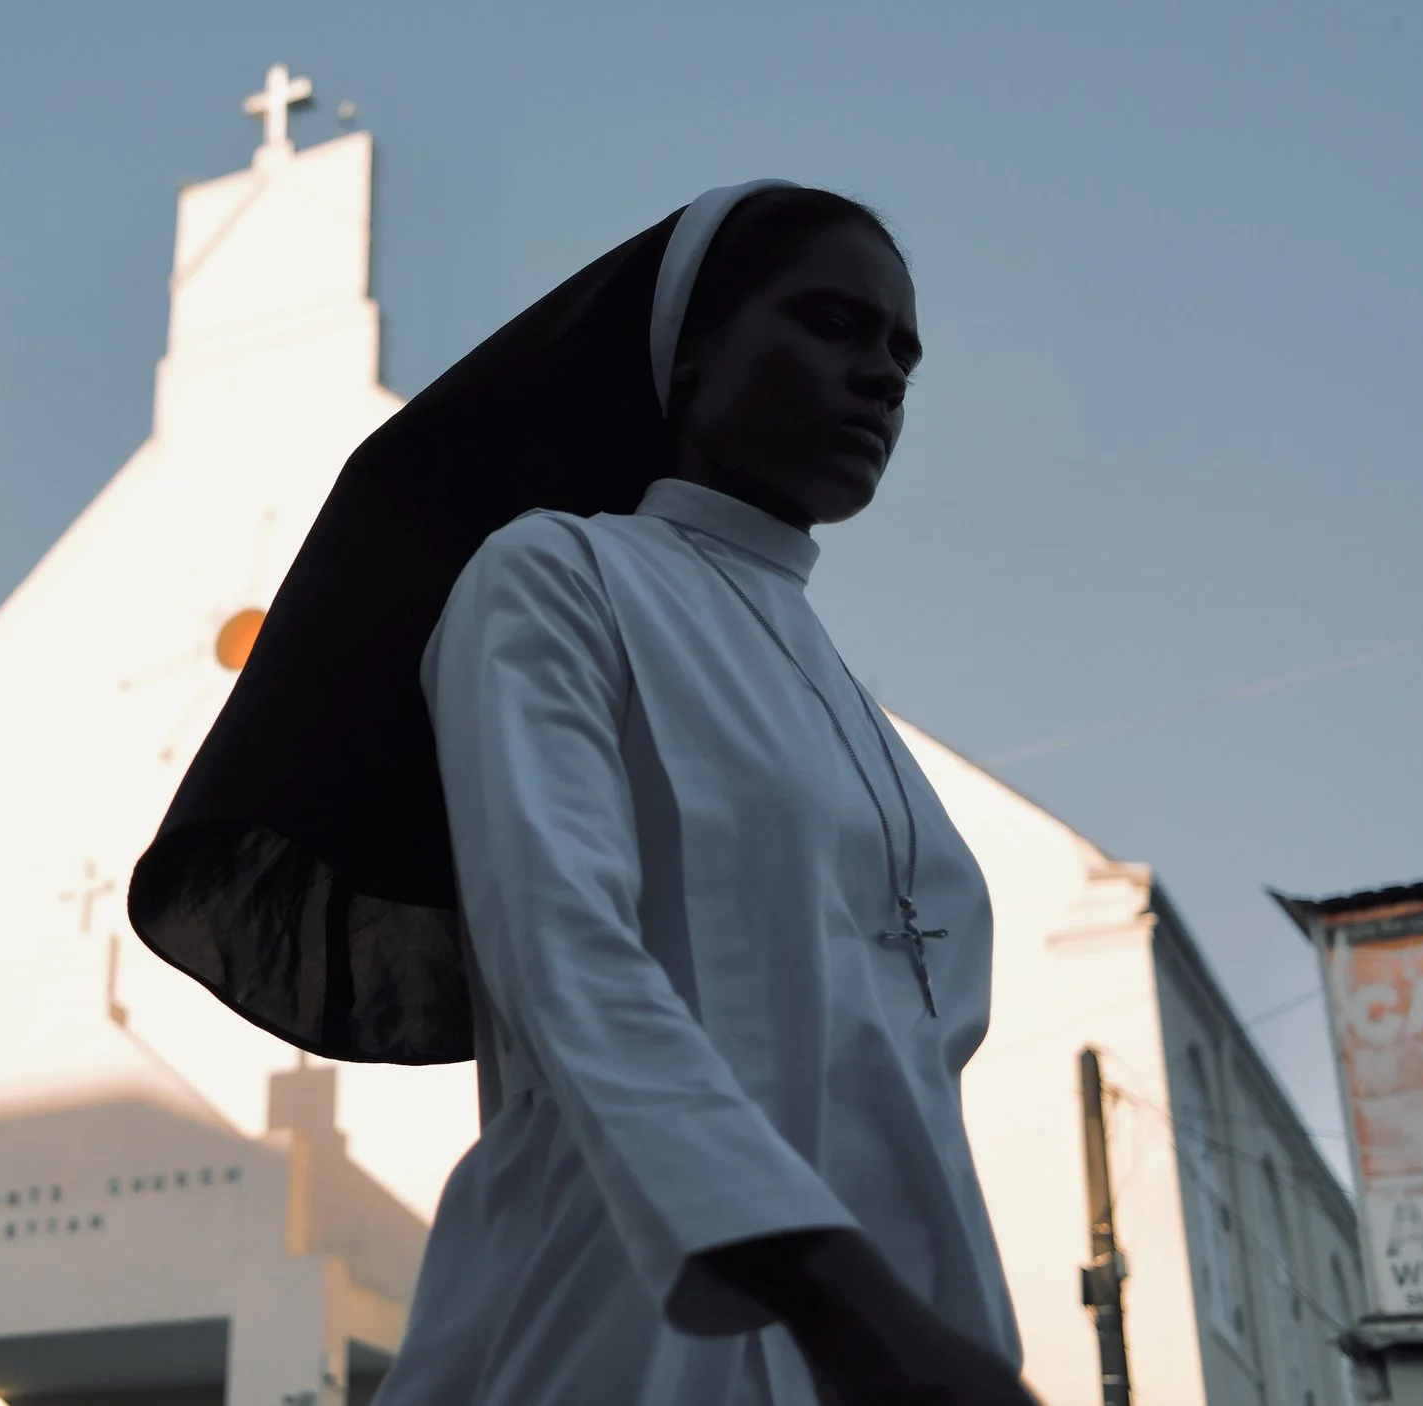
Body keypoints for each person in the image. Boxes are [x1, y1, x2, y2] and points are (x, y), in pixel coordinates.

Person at [130, 182, 1034, 1403]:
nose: (882, 374)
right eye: (830, 323)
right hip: (627, 1302)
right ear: (691, 351)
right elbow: (564, 952)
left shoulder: (850, 705)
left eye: (900, 351)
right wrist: (844, 1302)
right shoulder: (557, 576)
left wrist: (939, 1333)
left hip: (888, 1338)